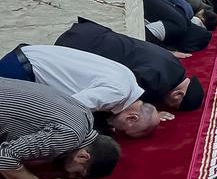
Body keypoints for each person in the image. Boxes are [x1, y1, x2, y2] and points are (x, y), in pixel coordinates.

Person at [0, 44, 161, 137]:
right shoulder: (117, 94)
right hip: (21, 70)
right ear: (131, 118)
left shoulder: (128, 79)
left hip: (29, 56)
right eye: (122, 130)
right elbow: (66, 110)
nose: (116, 130)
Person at [0, 79, 121, 179]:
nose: (70, 176)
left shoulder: (86, 114)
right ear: (83, 157)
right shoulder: (71, 135)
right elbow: (5, 158)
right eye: (78, 173)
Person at [55, 18, 204, 110]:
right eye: (173, 105)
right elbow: (124, 93)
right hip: (78, 46)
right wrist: (149, 111)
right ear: (178, 95)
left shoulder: (176, 65)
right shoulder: (157, 80)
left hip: (91, 31)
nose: (167, 105)